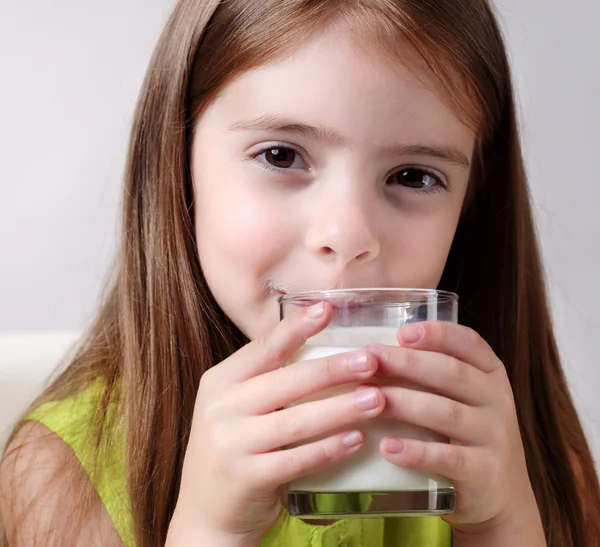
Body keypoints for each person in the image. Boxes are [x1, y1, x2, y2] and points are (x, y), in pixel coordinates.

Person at [1, 0, 599, 546]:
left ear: (470, 206)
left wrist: (501, 526)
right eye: (281, 155)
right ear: (178, 165)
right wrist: (210, 532)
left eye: (413, 176)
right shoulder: (62, 475)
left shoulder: (541, 470)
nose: (347, 236)